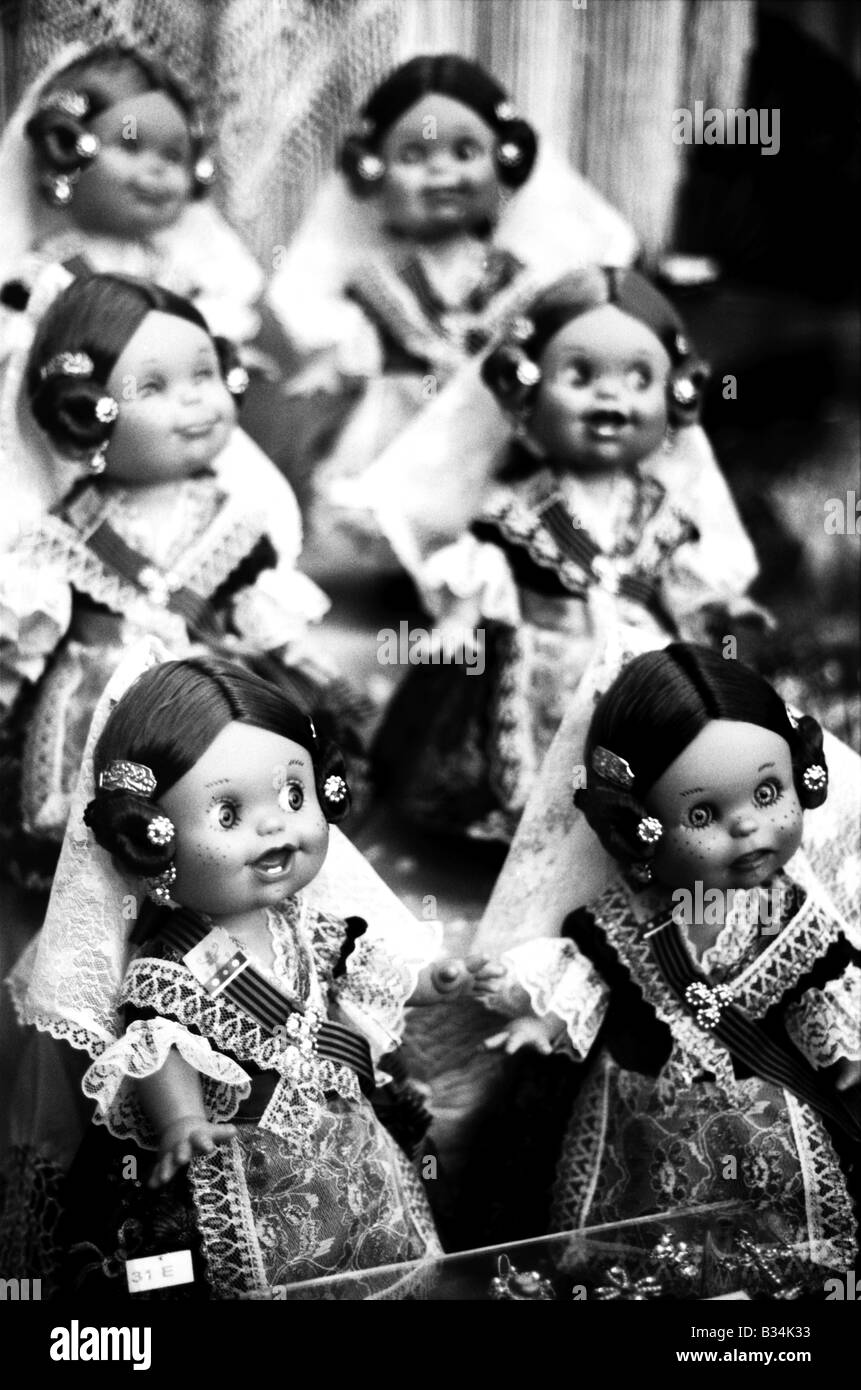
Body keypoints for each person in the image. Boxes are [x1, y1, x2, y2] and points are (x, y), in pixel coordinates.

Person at [4, 650, 493, 1299]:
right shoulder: (171, 961)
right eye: (227, 815)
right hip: (240, 1157)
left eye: (294, 794)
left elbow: (360, 974)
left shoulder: (305, 925)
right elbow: (155, 1045)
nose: (277, 825)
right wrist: (180, 1123)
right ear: (151, 839)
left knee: (375, 1243)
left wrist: (432, 984)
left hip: (344, 1138)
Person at [473, 644, 861, 1291]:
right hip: (640, 1111)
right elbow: (587, 985)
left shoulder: (795, 917)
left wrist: (844, 1051)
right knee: (641, 1235)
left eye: (768, 793)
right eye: (702, 814)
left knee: (772, 1235)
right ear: (637, 824)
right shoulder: (617, 922)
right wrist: (544, 1026)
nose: (749, 828)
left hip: (762, 1118)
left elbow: (820, 993)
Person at [372, 267, 764, 842]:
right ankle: (532, 837)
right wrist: (457, 621)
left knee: (655, 745)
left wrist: (726, 601)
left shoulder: (661, 509)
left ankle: (647, 823)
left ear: (675, 396)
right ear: (526, 394)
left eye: (638, 380)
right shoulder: (519, 509)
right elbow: (481, 571)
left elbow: (678, 578)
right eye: (579, 376)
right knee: (534, 762)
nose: (610, 395)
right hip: (541, 659)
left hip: (639, 658)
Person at [0, 270, 345, 893]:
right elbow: (31, 635)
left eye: (205, 375)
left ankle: (217, 884)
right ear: (84, 409)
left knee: (221, 800)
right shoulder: (65, 535)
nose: (195, 401)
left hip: (205, 693)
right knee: (102, 833)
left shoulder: (235, 522)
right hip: (99, 701)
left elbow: (253, 604)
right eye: (153, 386)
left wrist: (296, 653)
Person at [267, 53, 637, 570]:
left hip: (485, 422)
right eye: (414, 156)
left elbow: (529, 333)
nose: (441, 170)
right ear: (374, 170)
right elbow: (372, 344)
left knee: (506, 490)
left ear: (503, 162)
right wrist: (336, 364)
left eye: (465, 152)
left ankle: (482, 570)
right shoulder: (381, 280)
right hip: (397, 417)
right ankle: (403, 560)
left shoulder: (511, 273)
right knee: (365, 511)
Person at [0, 40, 296, 506]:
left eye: (175, 156)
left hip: (181, 441)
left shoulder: (179, 268)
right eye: (131, 145)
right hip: (86, 451)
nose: (157, 169)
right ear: (64, 152)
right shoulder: (52, 273)